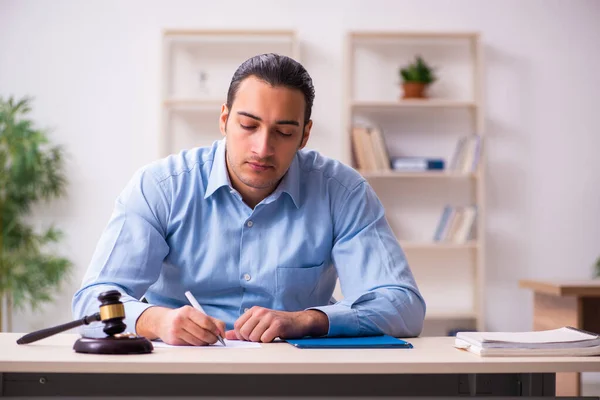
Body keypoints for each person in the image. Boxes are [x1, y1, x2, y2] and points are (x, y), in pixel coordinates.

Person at [72, 53, 426, 346]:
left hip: (297, 377)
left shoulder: (343, 192)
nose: (262, 148)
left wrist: (307, 320)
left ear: (304, 135)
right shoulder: (160, 187)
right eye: (248, 126)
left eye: (284, 132)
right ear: (224, 119)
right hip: (179, 375)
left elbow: (403, 305)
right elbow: (92, 299)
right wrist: (156, 321)